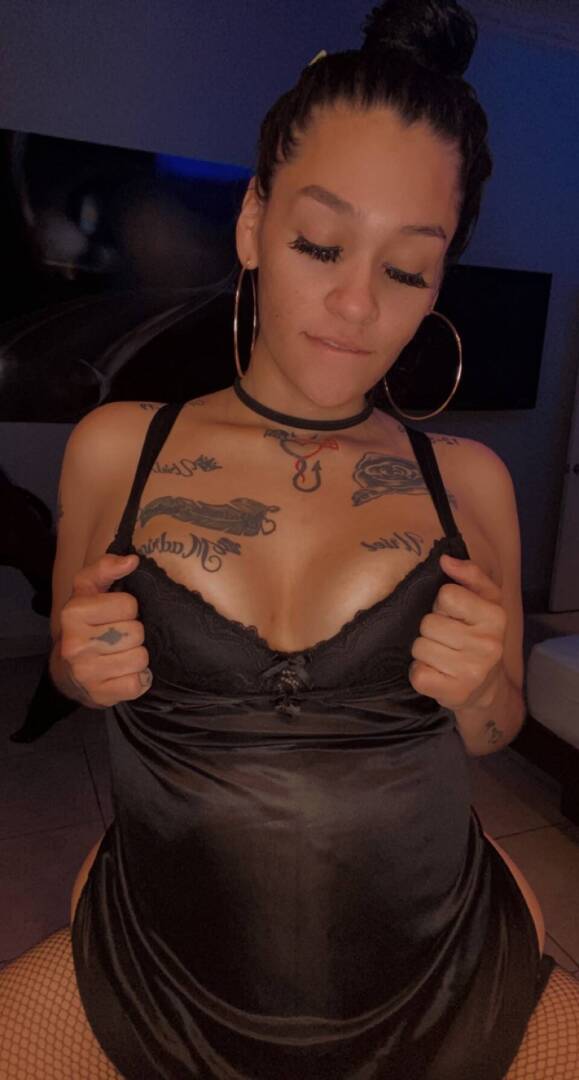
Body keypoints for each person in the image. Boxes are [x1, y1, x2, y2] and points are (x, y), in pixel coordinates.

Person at [1, 1, 578, 1076]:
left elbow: (496, 725)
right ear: (252, 223)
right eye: (320, 243)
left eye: (407, 269)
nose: (356, 305)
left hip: (449, 974)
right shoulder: (116, 448)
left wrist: (476, 693)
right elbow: (78, 673)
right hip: (156, 973)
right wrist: (79, 667)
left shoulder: (471, 482)